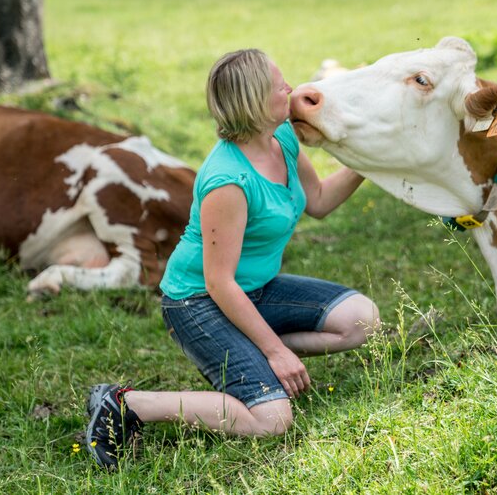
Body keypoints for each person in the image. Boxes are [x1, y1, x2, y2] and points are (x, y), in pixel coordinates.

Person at [85, 49, 380, 469]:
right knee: (272, 420)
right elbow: (219, 281)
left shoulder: (283, 139)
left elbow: (318, 201)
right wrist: (276, 352)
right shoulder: (229, 180)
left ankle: (247, 355)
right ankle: (125, 403)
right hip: (198, 302)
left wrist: (373, 162)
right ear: (256, 102)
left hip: (255, 291)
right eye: (280, 86)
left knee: (362, 319)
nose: (290, 89)